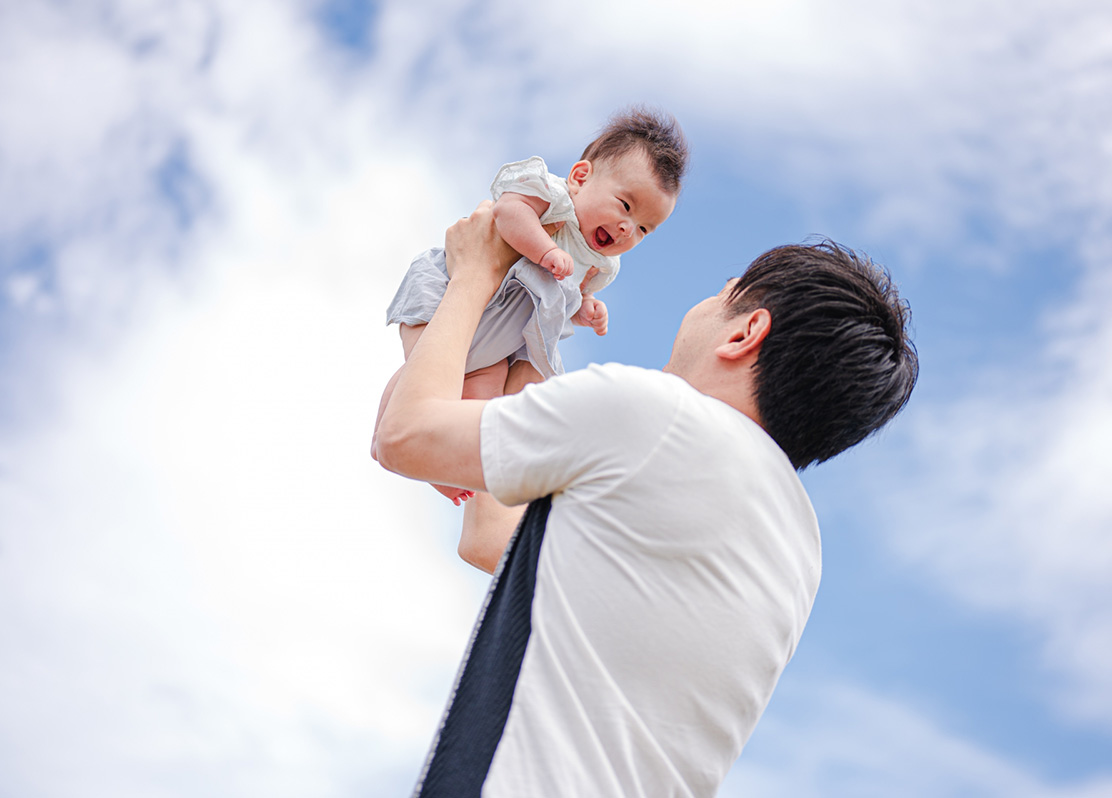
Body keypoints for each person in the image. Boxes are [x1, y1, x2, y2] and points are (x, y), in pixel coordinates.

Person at [372, 204, 918, 797]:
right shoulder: (798, 552)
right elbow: (493, 541)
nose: (702, 306)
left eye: (723, 293)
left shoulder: (656, 415)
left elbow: (404, 435)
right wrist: (526, 336)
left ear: (745, 333)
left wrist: (475, 274)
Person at [376, 107, 688, 504]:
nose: (629, 229)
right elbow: (509, 212)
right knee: (426, 362)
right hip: (450, 294)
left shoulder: (601, 264)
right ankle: (386, 432)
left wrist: (586, 309)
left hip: (499, 339)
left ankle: (441, 465)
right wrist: (544, 250)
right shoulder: (554, 197)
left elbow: (565, 297)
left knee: (481, 401)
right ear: (580, 178)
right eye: (626, 206)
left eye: (644, 228)